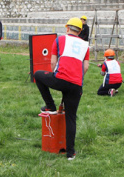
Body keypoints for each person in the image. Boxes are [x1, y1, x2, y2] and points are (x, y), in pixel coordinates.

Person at [34, 17, 89, 161]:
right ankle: (70, 153)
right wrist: (76, 78)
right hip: (76, 84)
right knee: (71, 118)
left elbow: (53, 62)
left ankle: (51, 106)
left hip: (61, 79)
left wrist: (55, 76)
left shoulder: (60, 40)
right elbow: (86, 67)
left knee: (38, 75)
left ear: (67, 28)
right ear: (80, 31)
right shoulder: (85, 45)